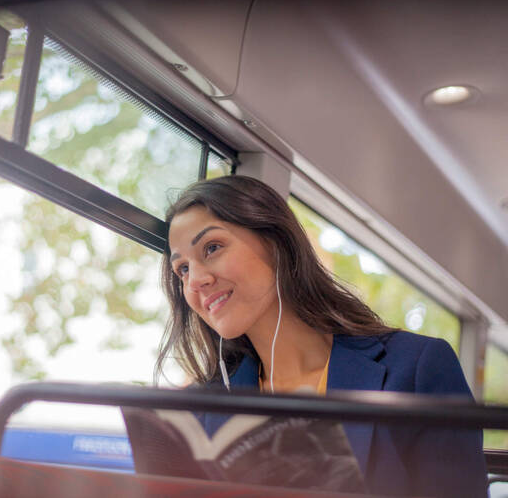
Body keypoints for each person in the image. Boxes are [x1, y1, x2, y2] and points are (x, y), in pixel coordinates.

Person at [155, 175, 488, 497]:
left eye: (212, 248)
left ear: (275, 242)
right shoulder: (204, 405)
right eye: (182, 269)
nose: (195, 280)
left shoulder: (417, 368)